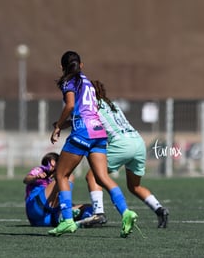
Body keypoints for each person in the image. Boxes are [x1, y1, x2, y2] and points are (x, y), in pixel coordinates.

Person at [48, 51, 138, 237]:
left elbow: (71, 106)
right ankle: (126, 212)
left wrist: (58, 126)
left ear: (61, 67)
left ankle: (67, 221)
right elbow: (84, 111)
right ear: (81, 65)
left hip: (83, 132)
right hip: (98, 132)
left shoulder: (69, 81)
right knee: (102, 177)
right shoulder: (87, 82)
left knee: (61, 175)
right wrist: (63, 125)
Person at [84, 80, 169, 228]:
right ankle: (159, 209)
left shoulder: (92, 106)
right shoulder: (113, 104)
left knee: (92, 175)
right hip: (138, 142)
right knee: (134, 186)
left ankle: (98, 214)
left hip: (122, 144)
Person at [24, 152, 93, 226]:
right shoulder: (40, 170)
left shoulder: (56, 175)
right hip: (36, 209)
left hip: (48, 219)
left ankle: (71, 218)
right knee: (68, 177)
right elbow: (26, 180)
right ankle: (66, 214)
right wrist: (36, 177)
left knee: (88, 208)